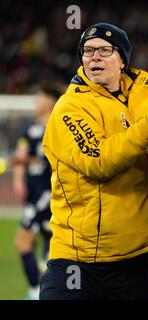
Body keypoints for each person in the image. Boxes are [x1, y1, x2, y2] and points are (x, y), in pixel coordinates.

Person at [40, 23, 148, 300]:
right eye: (88, 51)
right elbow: (100, 162)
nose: (94, 57)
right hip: (78, 258)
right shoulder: (70, 107)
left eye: (104, 50)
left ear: (123, 60)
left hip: (135, 256)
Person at [11, 83, 62, 300]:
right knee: (47, 244)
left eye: (40, 97)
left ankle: (35, 291)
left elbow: (51, 162)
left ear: (51, 101)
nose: (36, 101)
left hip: (46, 192)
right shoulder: (29, 128)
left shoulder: (57, 126)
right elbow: (20, 154)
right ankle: (47, 289)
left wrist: (27, 159)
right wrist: (18, 180)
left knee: (22, 242)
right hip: (33, 193)